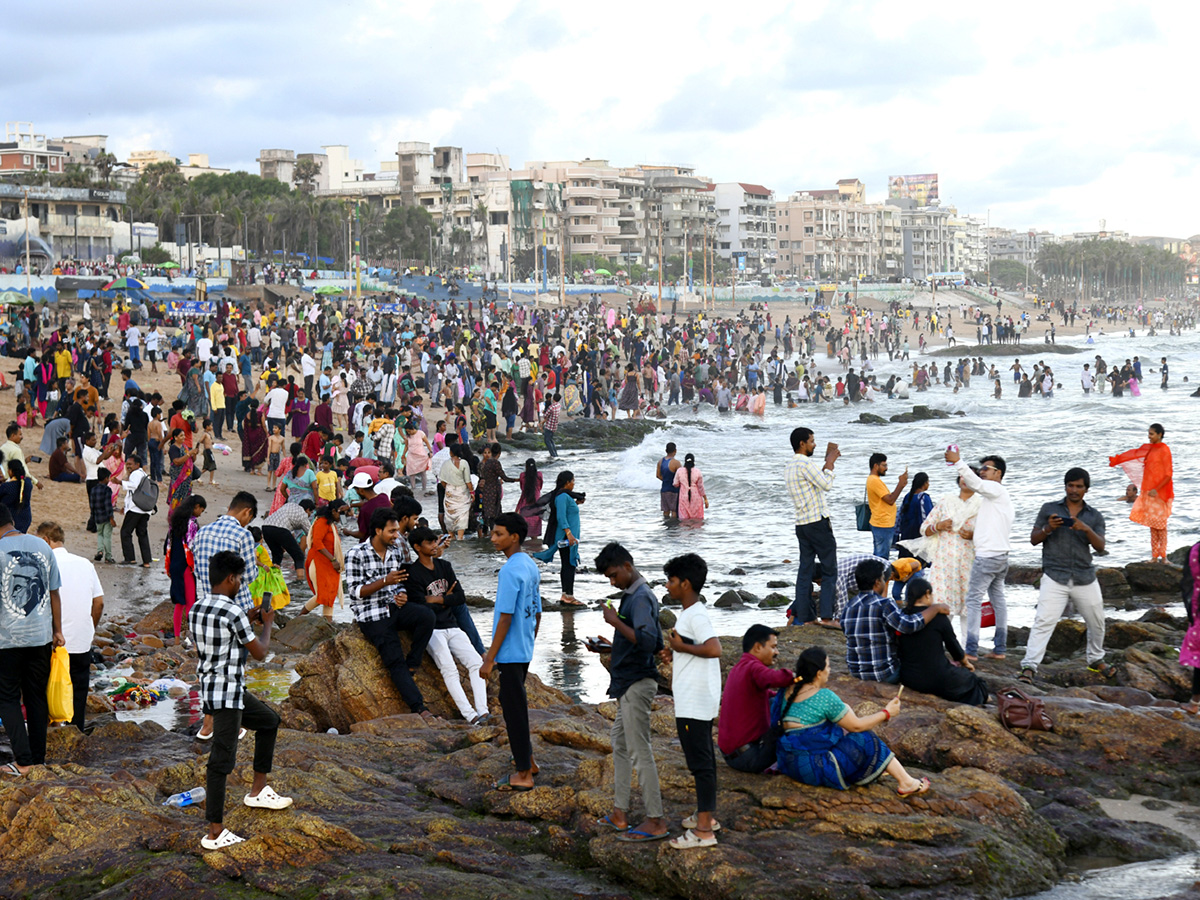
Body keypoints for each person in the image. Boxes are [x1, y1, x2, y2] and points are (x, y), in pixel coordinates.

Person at [190, 550, 292, 851]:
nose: (241, 586)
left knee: (269, 721)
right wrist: (268, 623)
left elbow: (218, 639)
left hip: (214, 688)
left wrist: (246, 621)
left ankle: (258, 790)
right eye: (240, 580)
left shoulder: (197, 607)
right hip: (228, 694)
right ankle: (215, 832)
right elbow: (260, 652)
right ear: (231, 578)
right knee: (221, 761)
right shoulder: (232, 611)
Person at [773, 646, 929, 796]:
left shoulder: (787, 690)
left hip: (790, 764)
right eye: (828, 666)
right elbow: (856, 726)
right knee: (866, 738)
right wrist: (887, 713)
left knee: (841, 733)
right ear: (819, 673)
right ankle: (907, 783)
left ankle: (884, 771)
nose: (830, 670)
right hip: (814, 769)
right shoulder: (824, 696)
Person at [590, 542, 667, 842]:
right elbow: (645, 640)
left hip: (637, 683)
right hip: (627, 682)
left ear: (627, 566)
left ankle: (656, 820)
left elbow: (650, 642)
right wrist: (609, 644)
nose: (612, 582)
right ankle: (620, 813)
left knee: (639, 750)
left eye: (613, 575)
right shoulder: (634, 597)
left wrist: (614, 623)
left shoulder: (640, 598)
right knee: (619, 743)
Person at [1020, 468, 1115, 683]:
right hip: (1055, 575)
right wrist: (1048, 528)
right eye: (1071, 485)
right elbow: (1034, 539)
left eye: (1079, 486)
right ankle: (1029, 666)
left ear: (1086, 489)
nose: (1074, 490)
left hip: (1084, 576)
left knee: (1097, 621)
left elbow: (1100, 546)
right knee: (1043, 620)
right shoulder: (1049, 509)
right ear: (1065, 486)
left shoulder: (1094, 516)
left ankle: (1095, 659)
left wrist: (1086, 529)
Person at [344, 506, 436, 719]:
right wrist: (385, 581)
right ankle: (419, 707)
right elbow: (356, 592)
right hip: (371, 614)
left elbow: (400, 583)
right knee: (394, 660)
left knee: (426, 616)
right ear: (377, 531)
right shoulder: (356, 554)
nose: (397, 535)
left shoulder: (394, 552)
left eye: (396, 531)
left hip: (394, 607)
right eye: (392, 531)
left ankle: (413, 664)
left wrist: (401, 593)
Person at [661, 553, 722, 850]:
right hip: (696, 697)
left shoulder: (695, 614)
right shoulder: (690, 613)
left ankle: (703, 831)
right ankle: (705, 818)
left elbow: (714, 649)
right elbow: (698, 648)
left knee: (700, 764)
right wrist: (677, 652)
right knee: (704, 759)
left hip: (694, 700)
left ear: (685, 583)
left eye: (671, 581)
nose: (668, 585)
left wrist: (681, 646)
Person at [0, 503, 64, 776]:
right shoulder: (43, 547)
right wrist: (57, 631)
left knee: (8, 699)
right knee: (37, 697)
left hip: (7, 641)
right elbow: (54, 593)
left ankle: (23, 761)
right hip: (40, 638)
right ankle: (38, 759)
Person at [479, 512, 542, 791]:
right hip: (524, 648)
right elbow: (537, 611)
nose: (493, 538)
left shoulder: (509, 571)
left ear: (514, 537)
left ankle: (524, 774)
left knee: (514, 713)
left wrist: (489, 658)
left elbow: (505, 617)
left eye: (499, 534)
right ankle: (528, 759)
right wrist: (529, 641)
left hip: (509, 653)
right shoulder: (529, 564)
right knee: (518, 706)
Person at [191, 491, 261, 741]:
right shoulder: (243, 535)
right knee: (234, 667)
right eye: (249, 518)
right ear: (247, 512)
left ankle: (208, 722)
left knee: (208, 664)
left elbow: (196, 568)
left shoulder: (202, 532)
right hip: (233, 609)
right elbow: (250, 576)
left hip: (203, 608)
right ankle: (228, 723)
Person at [405, 526, 487, 723]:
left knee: (476, 662)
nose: (435, 545)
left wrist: (438, 600)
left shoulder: (445, 566)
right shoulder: (413, 573)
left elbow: (460, 597)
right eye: (430, 542)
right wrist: (445, 598)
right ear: (417, 547)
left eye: (435, 541)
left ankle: (483, 711)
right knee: (449, 668)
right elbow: (419, 604)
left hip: (452, 625)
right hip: (432, 630)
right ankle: (470, 716)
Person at [945, 446, 1013, 661]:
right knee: (998, 601)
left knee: (973, 601)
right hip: (1001, 556)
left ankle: (971, 650)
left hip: (987, 558)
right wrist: (974, 534)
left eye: (986, 468)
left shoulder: (995, 490)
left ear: (998, 474)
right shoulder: (998, 497)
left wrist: (958, 462)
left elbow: (975, 484)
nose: (982, 471)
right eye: (981, 468)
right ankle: (1000, 649)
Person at [36, 522, 104, 731]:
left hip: (51, 639)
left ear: (46, 540)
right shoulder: (85, 564)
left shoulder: (42, 564)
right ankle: (77, 730)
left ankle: (50, 729)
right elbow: (99, 603)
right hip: (80, 639)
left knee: (46, 686)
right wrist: (89, 627)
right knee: (79, 688)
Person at [842, 559, 948, 683]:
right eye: (883, 579)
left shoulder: (849, 606)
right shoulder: (884, 604)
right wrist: (934, 608)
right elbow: (908, 625)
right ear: (877, 583)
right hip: (884, 674)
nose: (884, 582)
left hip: (855, 671)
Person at [897, 579, 988, 705]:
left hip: (909, 678)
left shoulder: (902, 616)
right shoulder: (939, 617)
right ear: (927, 593)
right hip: (938, 677)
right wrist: (966, 664)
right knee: (974, 681)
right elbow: (953, 645)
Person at [717, 624, 794, 772]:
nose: (776, 652)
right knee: (794, 732)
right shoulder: (753, 667)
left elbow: (770, 695)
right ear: (758, 647)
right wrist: (796, 677)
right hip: (748, 758)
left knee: (777, 702)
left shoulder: (739, 668)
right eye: (773, 647)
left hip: (732, 755)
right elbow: (774, 678)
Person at [786, 427, 840, 626]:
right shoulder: (805, 463)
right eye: (812, 441)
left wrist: (826, 464)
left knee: (805, 572)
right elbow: (826, 484)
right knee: (829, 570)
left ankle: (807, 618)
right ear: (802, 443)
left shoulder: (790, 466)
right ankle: (826, 617)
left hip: (802, 524)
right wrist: (830, 463)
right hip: (817, 522)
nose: (814, 444)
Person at [919, 474, 981, 639]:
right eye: (962, 476)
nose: (965, 479)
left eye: (969, 476)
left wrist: (974, 535)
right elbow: (924, 529)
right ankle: (938, 646)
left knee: (969, 608)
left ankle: (968, 650)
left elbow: (991, 533)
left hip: (970, 561)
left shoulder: (982, 505)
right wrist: (938, 526)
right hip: (945, 562)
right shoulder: (946, 502)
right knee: (942, 605)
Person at [1109, 423, 1173, 562]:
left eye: (1151, 434)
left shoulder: (1165, 450)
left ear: (1159, 435)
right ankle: (1154, 557)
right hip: (1149, 492)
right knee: (1153, 525)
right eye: (1148, 433)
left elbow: (1168, 474)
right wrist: (1118, 460)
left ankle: (1164, 557)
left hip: (1161, 493)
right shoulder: (1150, 449)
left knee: (1161, 525)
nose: (1148, 436)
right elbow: (1136, 454)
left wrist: (1157, 489)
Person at [533, 470, 584, 606]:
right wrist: (569, 533)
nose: (574, 484)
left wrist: (576, 504)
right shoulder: (562, 497)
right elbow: (561, 517)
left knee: (568, 564)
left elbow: (566, 512)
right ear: (567, 482)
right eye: (573, 481)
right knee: (569, 565)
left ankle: (566, 595)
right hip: (566, 537)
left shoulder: (564, 496)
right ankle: (568, 596)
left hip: (569, 537)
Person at [167, 495, 207, 643]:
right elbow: (192, 545)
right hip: (186, 566)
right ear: (195, 507)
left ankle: (177, 637)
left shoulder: (175, 522)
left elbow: (168, 545)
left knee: (179, 602)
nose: (201, 513)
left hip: (174, 564)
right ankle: (194, 640)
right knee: (190, 602)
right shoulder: (192, 523)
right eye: (201, 510)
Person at [301, 500, 346, 620]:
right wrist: (333, 560)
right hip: (318, 562)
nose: (343, 516)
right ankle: (299, 618)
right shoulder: (322, 522)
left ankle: (328, 624)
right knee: (322, 595)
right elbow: (317, 543)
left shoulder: (331, 524)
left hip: (328, 564)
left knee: (329, 596)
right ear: (333, 511)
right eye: (341, 513)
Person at [866, 453, 907, 558]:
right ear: (876, 466)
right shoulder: (874, 481)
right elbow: (890, 500)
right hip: (882, 524)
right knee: (881, 557)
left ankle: (877, 574)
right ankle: (878, 574)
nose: (886, 468)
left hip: (882, 523)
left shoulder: (874, 480)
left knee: (880, 555)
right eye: (884, 465)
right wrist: (900, 484)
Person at [119, 455, 155, 567]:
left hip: (135, 509)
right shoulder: (144, 474)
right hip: (145, 510)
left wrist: (119, 482)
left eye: (130, 464)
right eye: (127, 464)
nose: (128, 466)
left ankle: (130, 558)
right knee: (142, 534)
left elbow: (133, 486)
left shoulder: (136, 474)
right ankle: (146, 561)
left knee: (125, 532)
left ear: (137, 465)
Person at [262, 498, 314, 570]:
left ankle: (274, 576)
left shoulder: (289, 505)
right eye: (311, 513)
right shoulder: (303, 515)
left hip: (265, 526)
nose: (309, 515)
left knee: (277, 554)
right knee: (299, 556)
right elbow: (311, 534)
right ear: (308, 510)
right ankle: (300, 579)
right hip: (280, 528)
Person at [439, 444, 474, 541]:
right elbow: (468, 481)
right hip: (462, 492)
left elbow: (442, 480)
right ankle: (460, 537)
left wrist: (448, 487)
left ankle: (451, 537)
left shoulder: (445, 464)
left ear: (451, 452)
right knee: (462, 514)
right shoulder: (464, 463)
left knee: (450, 515)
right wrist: (472, 492)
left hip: (450, 492)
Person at [895, 472, 933, 544]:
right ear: (924, 483)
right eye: (928, 482)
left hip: (906, 535)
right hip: (918, 536)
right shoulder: (923, 497)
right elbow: (929, 517)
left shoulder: (908, 496)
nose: (929, 484)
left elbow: (899, 516)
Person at [89, 468, 116, 563]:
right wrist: (111, 518)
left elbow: (92, 505)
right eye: (108, 478)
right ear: (105, 478)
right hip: (106, 517)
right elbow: (108, 505)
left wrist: (93, 516)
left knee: (100, 535)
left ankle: (100, 551)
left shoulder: (93, 490)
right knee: (107, 536)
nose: (109, 480)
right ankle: (108, 557)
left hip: (97, 517)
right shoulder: (107, 490)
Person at [0, 460, 34, 533]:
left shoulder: (6, 487)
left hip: (9, 519)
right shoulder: (28, 483)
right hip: (25, 518)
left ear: (11, 471)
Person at [673, 453, 709, 521]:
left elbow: (675, 484)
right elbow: (701, 487)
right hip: (696, 497)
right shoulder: (698, 471)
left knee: (684, 520)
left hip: (684, 497)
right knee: (697, 520)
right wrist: (705, 499)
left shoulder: (679, 471)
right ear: (693, 461)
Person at [515, 458, 544, 542]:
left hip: (525, 503)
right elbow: (540, 487)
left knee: (523, 531)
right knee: (534, 534)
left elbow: (522, 488)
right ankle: (534, 550)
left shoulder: (522, 475)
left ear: (526, 467)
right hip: (536, 504)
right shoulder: (539, 475)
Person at [656, 442, 682, 519]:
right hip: (674, 490)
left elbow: (658, 475)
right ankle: (673, 528)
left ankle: (666, 527)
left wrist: (666, 480)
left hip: (664, 489)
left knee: (666, 511)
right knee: (674, 511)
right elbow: (681, 477)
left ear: (666, 450)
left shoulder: (660, 461)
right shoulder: (677, 463)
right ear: (675, 450)